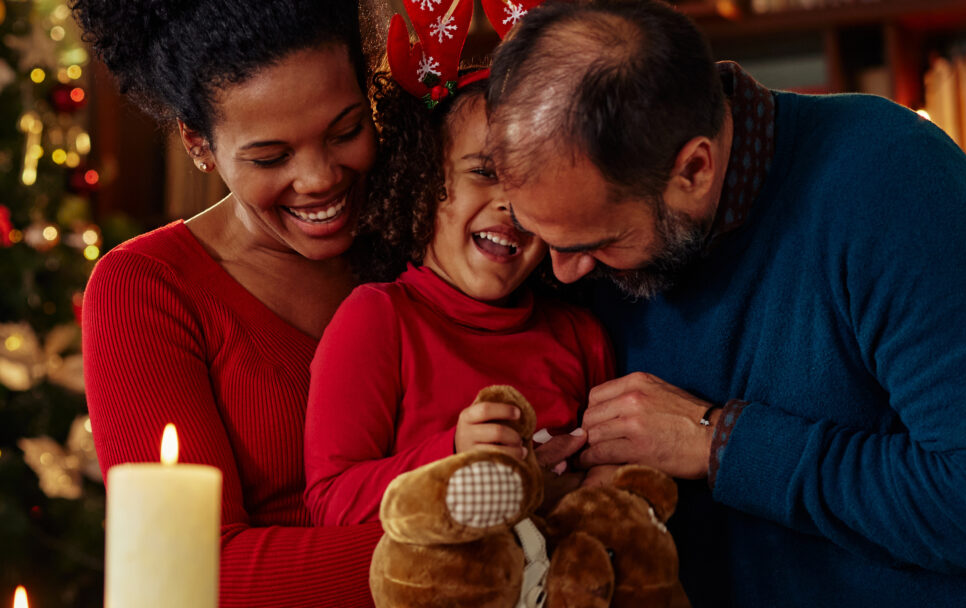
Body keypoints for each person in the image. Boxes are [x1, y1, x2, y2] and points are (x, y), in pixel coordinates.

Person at [484, 0, 966, 605]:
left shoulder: (895, 182)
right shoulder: (595, 226)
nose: (559, 271)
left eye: (597, 243)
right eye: (546, 240)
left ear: (694, 169)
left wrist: (717, 443)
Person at [75, 0, 400, 605]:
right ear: (199, 144)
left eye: (347, 130)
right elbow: (191, 569)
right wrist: (474, 549)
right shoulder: (147, 289)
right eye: (270, 158)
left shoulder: (429, 231)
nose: (319, 178)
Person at [303, 56, 614, 525]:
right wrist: (453, 457)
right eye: (485, 172)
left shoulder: (580, 334)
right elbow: (332, 502)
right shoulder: (378, 318)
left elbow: (609, 483)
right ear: (424, 181)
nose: (511, 203)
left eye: (533, 181)